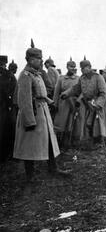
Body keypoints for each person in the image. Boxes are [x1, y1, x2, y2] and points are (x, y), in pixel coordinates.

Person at [13, 40, 70, 181]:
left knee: (50, 141)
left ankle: (53, 168)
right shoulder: (25, 76)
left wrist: (50, 102)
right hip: (33, 114)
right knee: (29, 146)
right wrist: (29, 121)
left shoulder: (36, 74)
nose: (41, 61)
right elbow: (24, 100)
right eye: (39, 59)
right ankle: (30, 176)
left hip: (42, 113)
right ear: (31, 60)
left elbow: (41, 94)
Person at [60, 56, 106, 150]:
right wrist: (66, 94)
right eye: (81, 68)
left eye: (84, 68)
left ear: (89, 67)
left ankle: (100, 144)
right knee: (88, 124)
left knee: (97, 124)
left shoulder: (98, 77)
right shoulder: (82, 78)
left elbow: (103, 92)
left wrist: (98, 104)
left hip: (97, 105)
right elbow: (76, 88)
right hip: (87, 104)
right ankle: (90, 143)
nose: (82, 70)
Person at [53, 57, 80, 149]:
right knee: (61, 123)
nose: (72, 68)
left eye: (74, 67)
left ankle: (71, 143)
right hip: (63, 103)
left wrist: (78, 102)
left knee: (72, 123)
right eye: (70, 66)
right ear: (67, 67)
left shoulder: (78, 79)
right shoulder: (61, 79)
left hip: (74, 103)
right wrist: (55, 104)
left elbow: (81, 92)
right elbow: (56, 93)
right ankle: (59, 144)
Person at [0, 55, 17, 163]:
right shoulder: (9, 75)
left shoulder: (8, 75)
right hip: (5, 106)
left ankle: (6, 154)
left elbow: (12, 91)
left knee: (6, 129)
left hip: (5, 107)